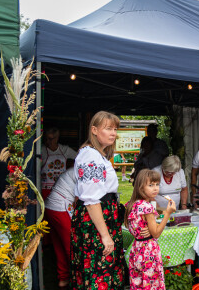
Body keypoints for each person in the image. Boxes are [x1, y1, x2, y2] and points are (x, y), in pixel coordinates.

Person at [70, 111, 126, 289]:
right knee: (97, 269)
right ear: (94, 130)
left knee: (105, 268)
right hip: (96, 222)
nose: (113, 133)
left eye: (115, 129)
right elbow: (91, 200)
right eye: (108, 128)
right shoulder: (90, 156)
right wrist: (105, 235)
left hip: (105, 218)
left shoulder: (98, 154)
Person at [125, 169, 176, 290]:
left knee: (139, 282)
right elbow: (156, 233)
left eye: (157, 184)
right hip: (148, 251)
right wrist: (167, 213)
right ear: (141, 187)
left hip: (137, 248)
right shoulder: (147, 207)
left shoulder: (132, 204)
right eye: (151, 185)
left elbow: (134, 225)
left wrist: (148, 228)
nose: (155, 188)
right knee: (151, 283)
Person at [45, 164, 76, 289]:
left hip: (51, 207)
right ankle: (77, 279)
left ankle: (63, 278)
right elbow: (80, 199)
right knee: (72, 246)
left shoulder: (73, 170)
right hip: (61, 207)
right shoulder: (81, 170)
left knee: (59, 245)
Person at [41, 127, 77, 199]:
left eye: (51, 139)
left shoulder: (64, 150)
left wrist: (71, 170)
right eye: (46, 139)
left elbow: (79, 158)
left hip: (61, 188)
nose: (48, 141)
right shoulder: (42, 150)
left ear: (57, 138)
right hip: (44, 188)